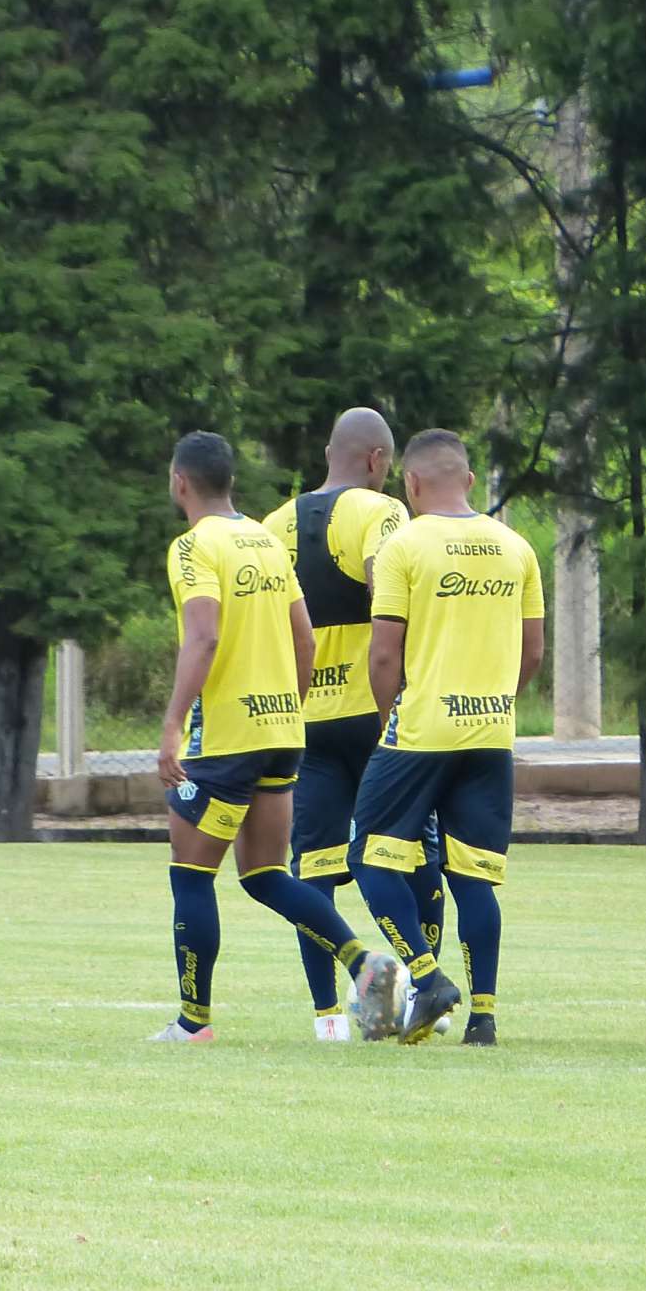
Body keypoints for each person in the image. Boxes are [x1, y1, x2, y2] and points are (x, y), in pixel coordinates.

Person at [152, 432, 385, 1043]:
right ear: (230, 480)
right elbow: (303, 637)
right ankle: (364, 961)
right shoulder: (264, 540)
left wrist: (173, 724)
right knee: (264, 874)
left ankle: (193, 1023)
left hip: (226, 737)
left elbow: (202, 637)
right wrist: (289, 703)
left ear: (181, 482)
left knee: (192, 875)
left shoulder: (192, 547)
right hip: (285, 729)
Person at [349, 429, 545, 1047]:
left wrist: (391, 716)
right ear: (467, 479)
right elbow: (533, 652)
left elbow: (384, 653)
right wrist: (493, 700)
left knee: (367, 854)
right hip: (491, 730)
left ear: (409, 484)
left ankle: (428, 978)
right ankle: (483, 1019)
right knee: (474, 876)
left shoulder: (404, 545)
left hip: (423, 728)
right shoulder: (516, 547)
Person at [261, 409, 445, 1022]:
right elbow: (387, 591)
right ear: (377, 461)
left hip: (305, 718)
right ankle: (425, 995)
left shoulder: (273, 523)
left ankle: (328, 1019)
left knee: (311, 867)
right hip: (376, 712)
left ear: (327, 451)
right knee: (409, 851)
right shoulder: (383, 511)